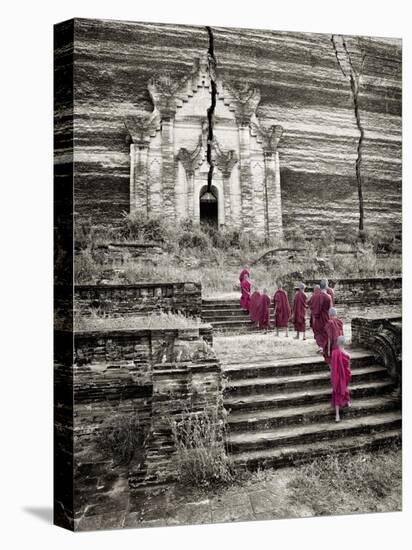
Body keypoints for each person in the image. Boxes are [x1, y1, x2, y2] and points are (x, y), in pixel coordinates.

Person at [329, 335, 352, 422]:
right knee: (344, 388)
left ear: (337, 343)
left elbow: (332, 366)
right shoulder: (347, 354)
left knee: (337, 393)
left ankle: (337, 415)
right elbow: (348, 367)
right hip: (344, 376)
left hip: (337, 377)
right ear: (344, 343)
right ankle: (347, 402)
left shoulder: (334, 353)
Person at [311, 281, 332, 353]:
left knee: (318, 332)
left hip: (316, 318)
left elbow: (311, 306)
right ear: (326, 286)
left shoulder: (314, 296)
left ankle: (321, 347)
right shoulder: (328, 297)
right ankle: (324, 347)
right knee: (325, 332)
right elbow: (330, 309)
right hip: (325, 317)